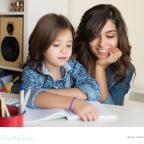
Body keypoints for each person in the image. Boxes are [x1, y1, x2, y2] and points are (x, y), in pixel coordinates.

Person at [22, 13, 101, 121]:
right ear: (41, 45)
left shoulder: (73, 66)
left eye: (68, 45)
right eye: (56, 45)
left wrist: (48, 93)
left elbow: (94, 89)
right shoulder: (31, 70)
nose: (64, 51)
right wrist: (74, 103)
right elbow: (31, 96)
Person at [74, 4, 135, 105]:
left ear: (119, 37)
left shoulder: (125, 69)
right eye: (94, 36)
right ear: (86, 36)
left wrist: (99, 67)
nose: (102, 43)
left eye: (110, 36)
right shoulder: (70, 58)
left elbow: (111, 108)